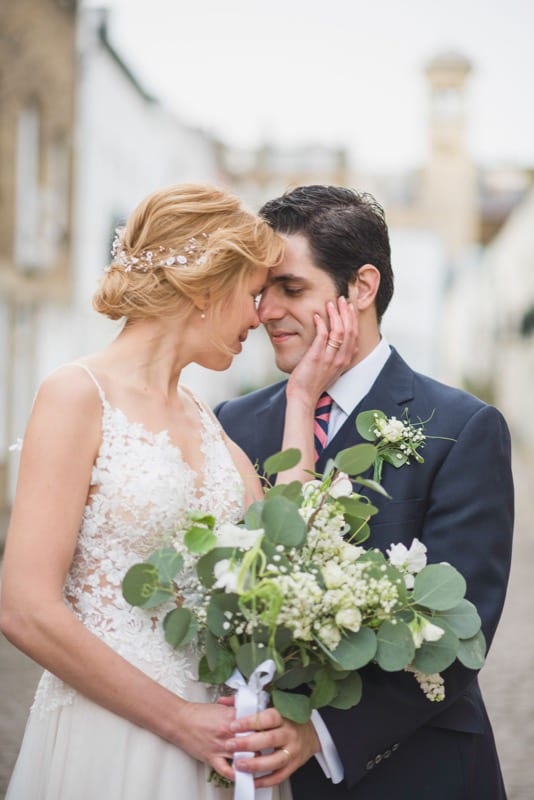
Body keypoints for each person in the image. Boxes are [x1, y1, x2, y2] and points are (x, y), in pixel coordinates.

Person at [0, 183, 358, 800]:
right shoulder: (76, 394)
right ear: (203, 288)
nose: (259, 315)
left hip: (215, 740)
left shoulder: (204, 418)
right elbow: (25, 608)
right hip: (113, 737)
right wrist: (180, 720)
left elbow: (287, 552)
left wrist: (302, 398)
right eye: (251, 294)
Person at [214, 184, 514, 800]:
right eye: (260, 290)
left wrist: (318, 733)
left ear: (361, 288)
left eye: (291, 289)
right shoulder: (232, 424)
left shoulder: (461, 428)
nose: (266, 311)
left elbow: (463, 630)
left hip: (415, 770)